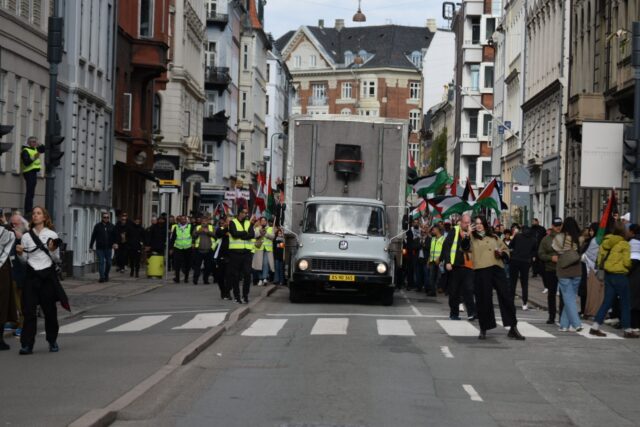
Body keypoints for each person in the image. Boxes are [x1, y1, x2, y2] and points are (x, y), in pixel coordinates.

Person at [463, 215, 524, 340]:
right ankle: (484, 328)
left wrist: (501, 253)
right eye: (477, 223)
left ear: (485, 224)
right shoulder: (471, 237)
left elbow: (506, 250)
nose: (479, 225)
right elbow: (464, 247)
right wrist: (468, 234)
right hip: (481, 270)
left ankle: (513, 327)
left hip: (497, 268)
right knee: (483, 299)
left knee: (506, 297)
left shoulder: (494, 236)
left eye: (481, 223)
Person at [15, 206, 62, 354]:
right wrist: (20, 254)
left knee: (50, 311)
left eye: (38, 213)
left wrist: (53, 250)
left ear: (44, 217)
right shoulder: (26, 236)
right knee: (28, 311)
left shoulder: (52, 234)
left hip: (47, 275)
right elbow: (24, 260)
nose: (35, 216)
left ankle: (52, 340)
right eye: (34, 213)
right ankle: (27, 344)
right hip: (32, 275)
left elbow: (57, 259)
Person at [589, 222, 639, 338]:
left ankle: (595, 326)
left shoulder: (605, 242)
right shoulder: (624, 244)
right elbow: (627, 262)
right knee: (626, 303)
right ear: (624, 231)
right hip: (620, 275)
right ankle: (627, 329)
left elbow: (600, 257)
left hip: (608, 275)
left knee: (607, 302)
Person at [441, 213, 477, 321]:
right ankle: (454, 314)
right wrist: (447, 261)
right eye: (465, 223)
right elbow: (446, 246)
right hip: (456, 265)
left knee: (469, 290)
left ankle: (472, 313)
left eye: (469, 223)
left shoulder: (473, 232)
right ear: (461, 222)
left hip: (469, 266)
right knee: (454, 291)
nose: (467, 225)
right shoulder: (455, 231)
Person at [552, 217, 583, 332]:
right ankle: (564, 325)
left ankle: (576, 323)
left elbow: (555, 248)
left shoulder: (559, 237)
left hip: (563, 269)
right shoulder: (579, 238)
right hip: (577, 269)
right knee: (570, 297)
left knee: (568, 298)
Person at [538, 217, 564, 324]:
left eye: (560, 225)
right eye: (556, 225)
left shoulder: (565, 237)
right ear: (552, 226)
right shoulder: (546, 239)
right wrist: (550, 258)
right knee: (551, 294)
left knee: (563, 295)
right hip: (550, 269)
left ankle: (562, 316)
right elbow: (540, 254)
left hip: (563, 270)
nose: (558, 227)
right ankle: (551, 316)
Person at [228, 209, 256, 304]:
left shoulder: (248, 223)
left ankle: (245, 295)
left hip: (246, 253)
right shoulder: (233, 222)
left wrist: (243, 234)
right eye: (244, 213)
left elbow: (252, 235)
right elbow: (234, 234)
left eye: (246, 213)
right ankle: (237, 296)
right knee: (235, 275)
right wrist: (244, 233)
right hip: (235, 252)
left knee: (247, 275)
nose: (246, 214)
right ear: (239, 213)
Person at [9, 213, 28, 337]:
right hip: (12, 273)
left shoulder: (26, 236)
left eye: (16, 224)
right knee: (12, 301)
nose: (14, 226)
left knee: (21, 302)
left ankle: (22, 325)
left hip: (22, 274)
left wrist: (20, 238)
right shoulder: (12, 235)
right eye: (12, 224)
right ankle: (14, 321)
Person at [509, 224, 537, 310]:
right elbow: (535, 251)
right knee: (524, 283)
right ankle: (524, 303)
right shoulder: (533, 239)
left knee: (512, 282)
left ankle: (510, 302)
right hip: (526, 262)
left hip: (515, 260)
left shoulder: (518, 236)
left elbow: (510, 246)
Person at [0, 217, 17, 350]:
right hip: (2, 271)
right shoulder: (4, 231)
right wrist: (5, 223)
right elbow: (13, 234)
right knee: (2, 303)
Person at [89, 212, 118, 283]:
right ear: (102, 218)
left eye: (107, 217)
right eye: (104, 217)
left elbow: (115, 236)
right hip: (100, 247)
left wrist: (115, 243)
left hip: (108, 247)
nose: (106, 219)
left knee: (109, 263)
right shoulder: (97, 226)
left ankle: (106, 274)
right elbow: (93, 236)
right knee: (101, 262)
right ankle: (102, 277)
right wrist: (90, 246)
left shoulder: (112, 226)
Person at [20, 136, 43, 215]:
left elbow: (43, 149)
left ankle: (30, 208)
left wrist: (40, 144)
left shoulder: (35, 149)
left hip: (33, 172)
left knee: (32, 192)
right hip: (28, 172)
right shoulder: (25, 150)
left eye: (35, 142)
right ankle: (28, 210)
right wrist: (35, 157)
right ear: (28, 143)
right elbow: (26, 162)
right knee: (29, 192)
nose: (34, 143)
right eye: (33, 142)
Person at [192, 215, 216, 285]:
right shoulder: (197, 227)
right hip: (199, 250)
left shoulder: (211, 227)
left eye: (205, 221)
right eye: (203, 221)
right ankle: (195, 280)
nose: (204, 223)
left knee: (208, 266)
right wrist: (198, 232)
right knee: (197, 266)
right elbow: (193, 236)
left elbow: (215, 236)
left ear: (208, 222)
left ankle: (206, 279)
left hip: (209, 250)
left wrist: (208, 232)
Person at [169, 215, 193, 283]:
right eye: (182, 219)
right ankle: (177, 278)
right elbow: (173, 238)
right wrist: (171, 248)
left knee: (187, 264)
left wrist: (193, 244)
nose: (183, 221)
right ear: (179, 220)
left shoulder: (190, 227)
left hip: (188, 247)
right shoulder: (176, 227)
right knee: (177, 264)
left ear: (186, 220)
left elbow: (193, 236)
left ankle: (186, 278)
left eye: (184, 219)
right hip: (178, 247)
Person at [253, 217, 274, 286]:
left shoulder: (270, 228)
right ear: (260, 221)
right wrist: (260, 232)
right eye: (262, 221)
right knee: (259, 265)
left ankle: (264, 278)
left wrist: (266, 234)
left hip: (267, 249)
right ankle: (260, 279)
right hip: (259, 249)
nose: (263, 222)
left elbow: (273, 237)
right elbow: (254, 235)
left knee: (265, 263)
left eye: (264, 220)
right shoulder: (257, 228)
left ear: (266, 222)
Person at [214, 216, 231, 299]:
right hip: (220, 256)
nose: (229, 222)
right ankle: (223, 290)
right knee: (220, 276)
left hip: (231, 256)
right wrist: (226, 228)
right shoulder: (220, 229)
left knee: (229, 276)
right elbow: (219, 235)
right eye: (227, 221)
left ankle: (227, 292)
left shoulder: (233, 230)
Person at [628, 224, 640, 330]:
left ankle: (634, 325)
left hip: (634, 275)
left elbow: (633, 259)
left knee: (634, 300)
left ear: (631, 232)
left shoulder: (632, 243)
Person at [428, 224, 445, 296]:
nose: (432, 231)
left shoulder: (443, 239)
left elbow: (444, 250)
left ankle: (439, 289)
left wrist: (440, 259)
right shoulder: (433, 239)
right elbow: (431, 250)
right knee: (431, 277)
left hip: (439, 261)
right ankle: (433, 291)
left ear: (438, 230)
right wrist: (428, 259)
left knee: (439, 277)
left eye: (434, 229)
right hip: (432, 261)